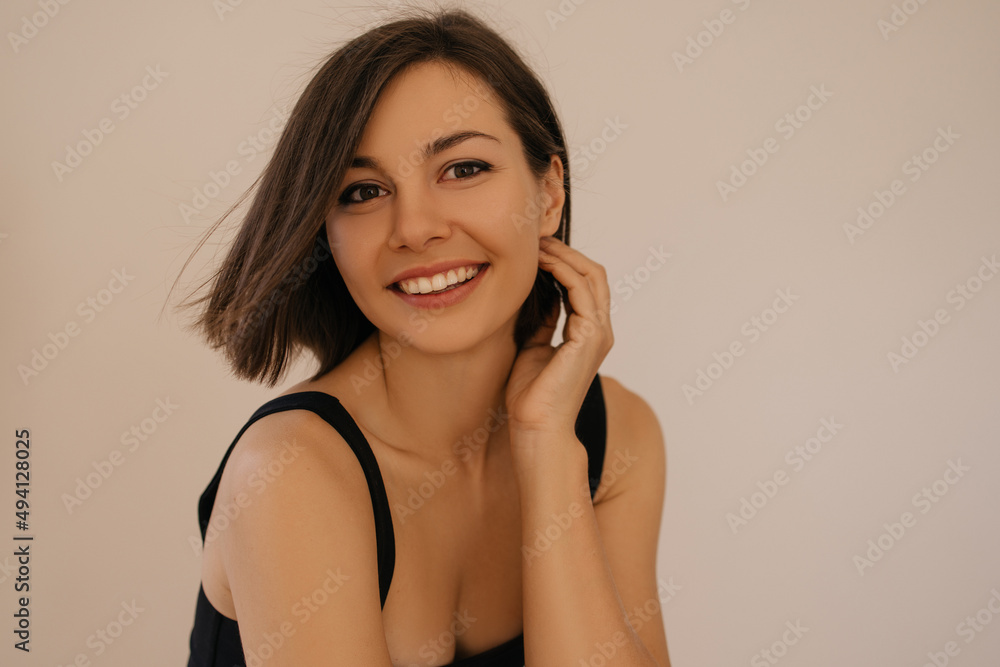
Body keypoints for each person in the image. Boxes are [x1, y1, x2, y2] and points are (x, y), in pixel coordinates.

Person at [178, 8, 670, 666]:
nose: (414, 227)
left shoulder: (617, 437)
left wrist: (547, 445)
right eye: (363, 190)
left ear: (548, 192)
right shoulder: (290, 474)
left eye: (462, 170)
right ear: (326, 230)